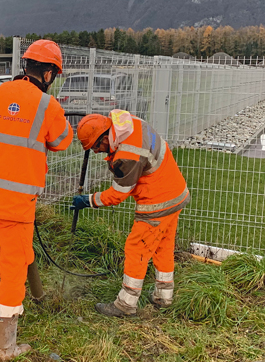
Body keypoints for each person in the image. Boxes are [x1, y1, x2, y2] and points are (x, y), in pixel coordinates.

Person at [0, 39, 73, 362]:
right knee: (12, 272)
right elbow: (63, 141)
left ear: (25, 66)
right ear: (49, 73)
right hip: (17, 207)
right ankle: (5, 348)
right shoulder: (48, 107)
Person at [72, 110, 190, 317]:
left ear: (103, 136)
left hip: (157, 202)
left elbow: (117, 195)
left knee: (137, 248)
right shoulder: (128, 123)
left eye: (97, 147)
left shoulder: (127, 155)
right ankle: (164, 296)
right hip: (175, 193)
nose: (98, 152)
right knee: (163, 246)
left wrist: (88, 200)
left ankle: (125, 304)